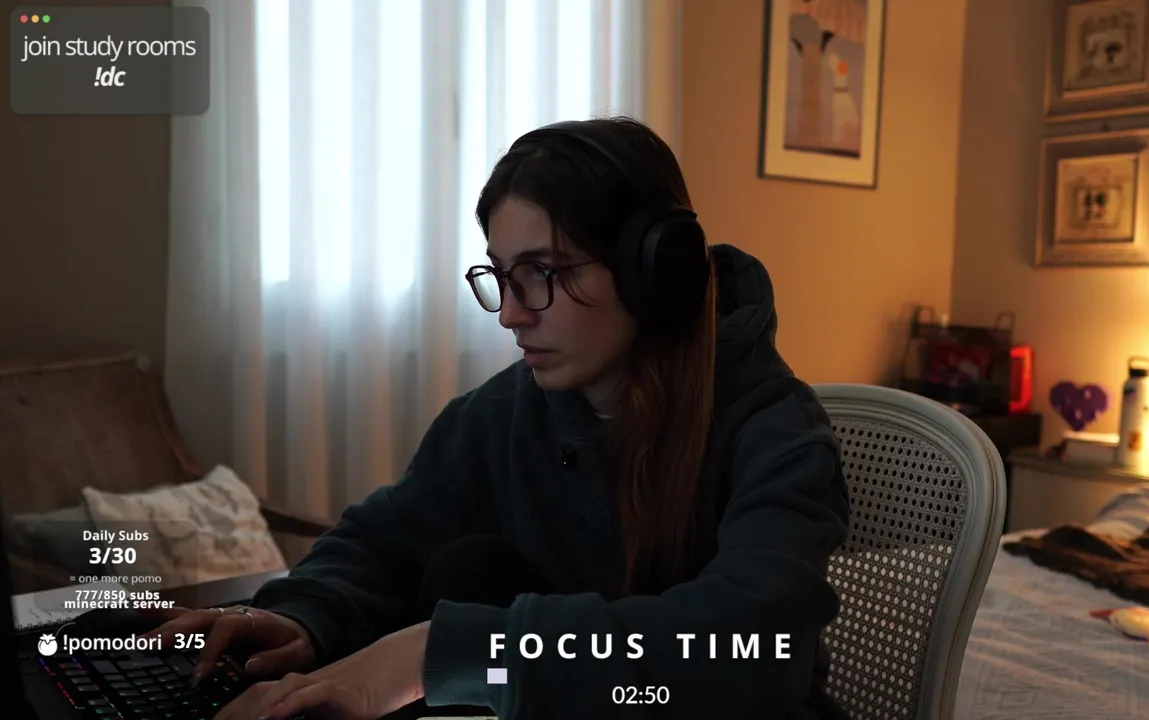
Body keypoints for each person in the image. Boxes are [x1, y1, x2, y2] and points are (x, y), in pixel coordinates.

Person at [143, 116, 851, 720]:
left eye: (543, 273)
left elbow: (756, 647)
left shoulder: (777, 432)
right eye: (503, 277)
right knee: (468, 568)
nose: (511, 314)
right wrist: (300, 612)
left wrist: (439, 652)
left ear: (653, 273)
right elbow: (388, 536)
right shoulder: (506, 411)